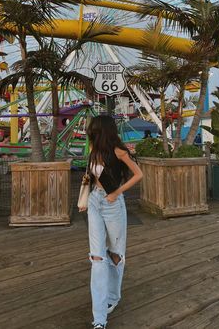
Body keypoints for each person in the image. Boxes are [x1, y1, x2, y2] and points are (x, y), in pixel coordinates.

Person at [81, 115, 143, 329]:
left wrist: (117, 192)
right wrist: (85, 196)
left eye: (94, 131)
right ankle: (99, 318)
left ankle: (113, 297)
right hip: (95, 202)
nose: (91, 134)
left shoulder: (119, 152)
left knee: (116, 254)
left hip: (113, 204)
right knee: (97, 258)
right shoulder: (92, 149)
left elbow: (138, 174)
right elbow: (91, 175)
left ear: (103, 132)